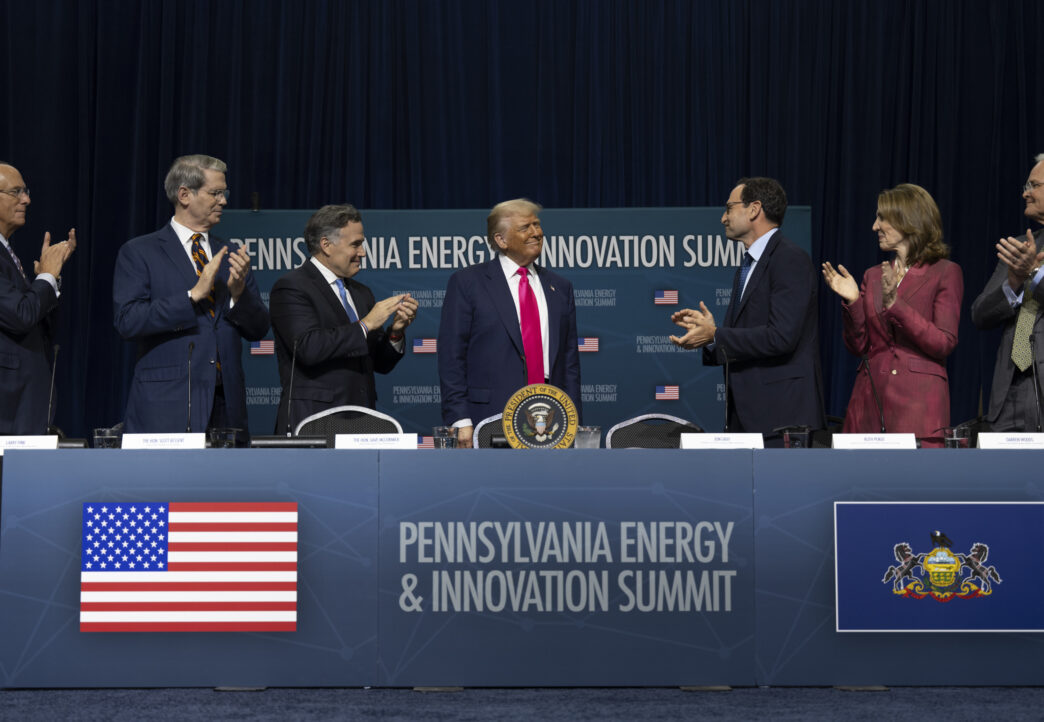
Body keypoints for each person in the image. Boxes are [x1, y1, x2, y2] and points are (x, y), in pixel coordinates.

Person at [113, 154, 269, 434]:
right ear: (184, 194)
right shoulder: (140, 252)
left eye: (225, 193)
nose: (224, 201)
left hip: (227, 405)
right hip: (168, 403)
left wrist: (238, 293)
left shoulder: (232, 252)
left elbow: (258, 329)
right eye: (216, 193)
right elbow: (128, 320)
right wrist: (192, 296)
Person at [669, 177, 824, 442]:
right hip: (748, 415)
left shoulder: (789, 259)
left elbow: (781, 337)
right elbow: (744, 338)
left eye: (729, 208)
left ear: (754, 209)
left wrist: (716, 334)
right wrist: (707, 338)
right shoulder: (748, 265)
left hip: (782, 418)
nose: (723, 218)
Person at [822, 184, 962, 445]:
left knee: (912, 485)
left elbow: (944, 342)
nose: (875, 226)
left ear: (907, 219)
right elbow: (859, 346)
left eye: (882, 218)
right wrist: (852, 301)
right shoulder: (873, 275)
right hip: (868, 405)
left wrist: (896, 305)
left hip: (917, 410)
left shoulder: (945, 272)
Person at [438, 198, 582, 448]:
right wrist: (460, 419)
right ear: (501, 240)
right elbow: (452, 357)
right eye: (525, 227)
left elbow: (570, 364)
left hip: (552, 417)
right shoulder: (468, 283)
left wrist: (574, 421)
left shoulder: (560, 287)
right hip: (490, 416)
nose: (536, 233)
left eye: (537, 225)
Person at [269, 204, 417, 434]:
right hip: (313, 424)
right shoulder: (291, 287)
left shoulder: (361, 293)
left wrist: (396, 332)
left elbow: (380, 363)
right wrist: (366, 324)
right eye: (355, 244)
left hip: (362, 423)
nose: (363, 252)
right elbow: (309, 347)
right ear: (326, 245)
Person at [0, 162, 77, 434]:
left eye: (26, 191)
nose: (27, 199)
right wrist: (45, 278)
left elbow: (40, 329)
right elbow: (21, 316)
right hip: (8, 406)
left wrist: (49, 280)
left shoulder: (8, 253)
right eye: (16, 192)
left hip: (24, 403)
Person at [971, 153, 1044, 431]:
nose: (1025, 193)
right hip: (1009, 391)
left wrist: (1033, 275)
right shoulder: (1018, 248)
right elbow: (979, 315)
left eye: (1033, 185)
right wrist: (1013, 283)